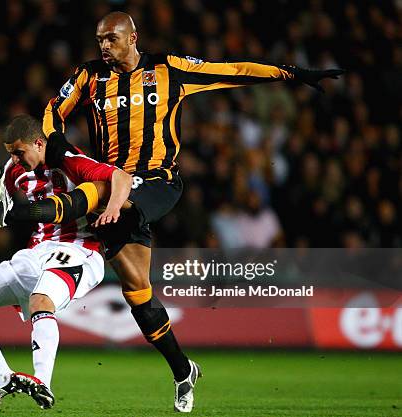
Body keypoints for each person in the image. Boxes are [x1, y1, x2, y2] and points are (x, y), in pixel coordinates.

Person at [41, 11, 344, 413]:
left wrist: (292, 73)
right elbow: (50, 114)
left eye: (112, 39)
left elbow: (233, 69)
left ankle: (24, 211)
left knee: (102, 194)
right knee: (139, 297)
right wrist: (60, 146)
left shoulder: (170, 69)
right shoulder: (90, 76)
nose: (104, 47)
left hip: (158, 183)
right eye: (100, 40)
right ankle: (184, 371)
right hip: (117, 188)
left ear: (133, 37)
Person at [0, 115, 132, 410]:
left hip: (80, 250)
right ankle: (0, 378)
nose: (15, 159)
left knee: (41, 301)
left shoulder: (70, 159)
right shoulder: (15, 168)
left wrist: (113, 208)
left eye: (19, 152)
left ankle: (41, 381)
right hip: (37, 252)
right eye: (10, 153)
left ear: (39, 143)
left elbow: (121, 177)